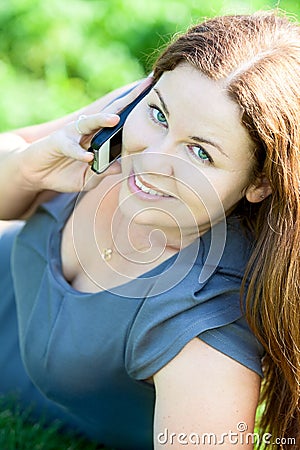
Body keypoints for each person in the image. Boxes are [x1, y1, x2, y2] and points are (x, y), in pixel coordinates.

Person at [0, 10, 299, 450]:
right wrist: (31, 168)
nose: (152, 159)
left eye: (199, 153)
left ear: (260, 183)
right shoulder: (122, 120)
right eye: (159, 115)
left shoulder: (205, 327)